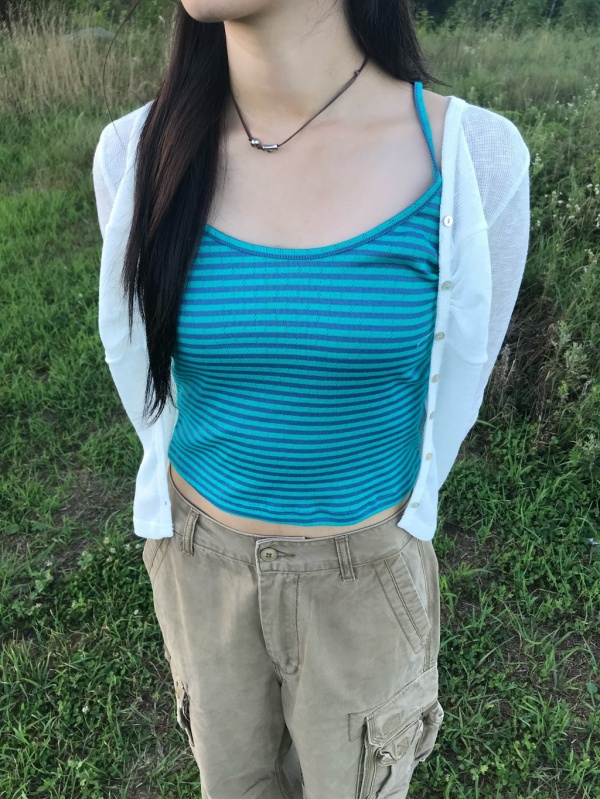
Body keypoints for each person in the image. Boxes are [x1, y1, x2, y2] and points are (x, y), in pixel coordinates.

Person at [92, 1, 531, 796]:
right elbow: (147, 379)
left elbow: (457, 390)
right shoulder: (136, 154)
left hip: (365, 586)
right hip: (199, 571)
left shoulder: (474, 160)